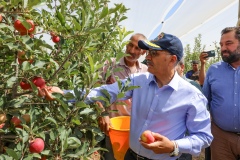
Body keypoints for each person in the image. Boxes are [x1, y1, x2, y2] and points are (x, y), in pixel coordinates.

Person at [41, 32, 213, 160]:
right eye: (148, 53)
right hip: (131, 156)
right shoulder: (138, 81)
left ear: (172, 59)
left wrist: (174, 146)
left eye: (154, 53)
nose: (148, 58)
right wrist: (64, 94)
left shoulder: (191, 95)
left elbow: (204, 137)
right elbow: (102, 92)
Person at [99, 33, 148, 160]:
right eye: (130, 45)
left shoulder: (146, 71)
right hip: (113, 128)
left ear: (143, 52)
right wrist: (103, 113)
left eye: (137, 48)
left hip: (135, 131)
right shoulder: (109, 65)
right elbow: (96, 91)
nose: (131, 50)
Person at [202, 26, 240, 160]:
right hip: (221, 138)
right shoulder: (214, 70)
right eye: (221, 44)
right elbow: (205, 101)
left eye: (228, 43)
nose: (223, 48)